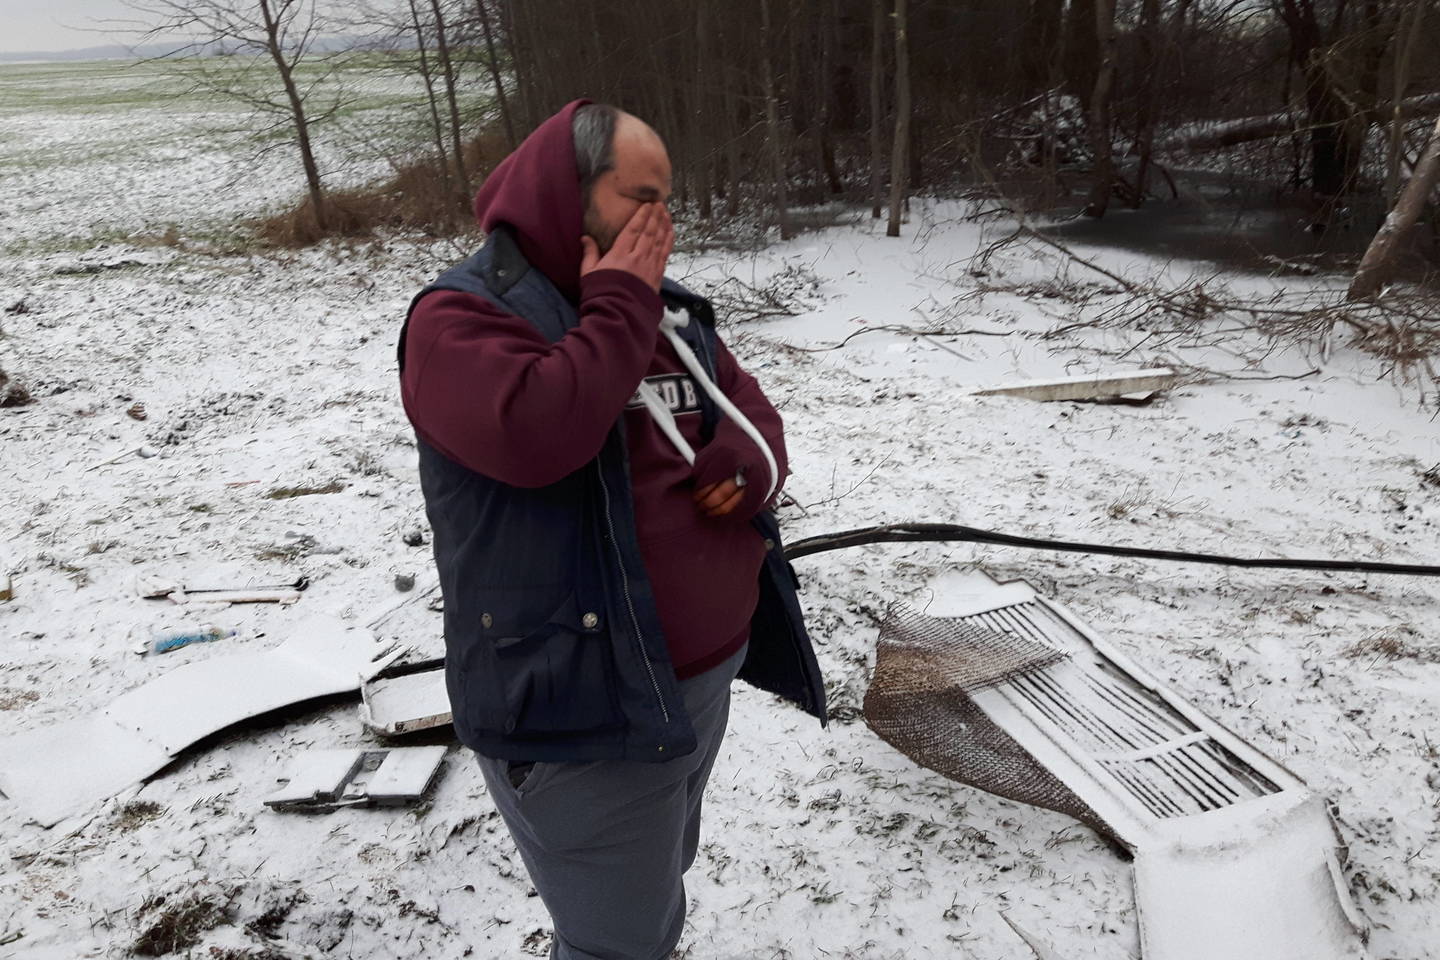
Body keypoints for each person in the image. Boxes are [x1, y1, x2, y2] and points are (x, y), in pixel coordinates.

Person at [396, 98, 828, 960]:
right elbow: (540, 435)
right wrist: (620, 304)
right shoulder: (461, 323)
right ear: (568, 192)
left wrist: (746, 468)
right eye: (641, 195)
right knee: (617, 941)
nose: (662, 221)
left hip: (698, 682)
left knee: (656, 877)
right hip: (583, 702)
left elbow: (753, 421)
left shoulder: (667, 316)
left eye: (669, 197)